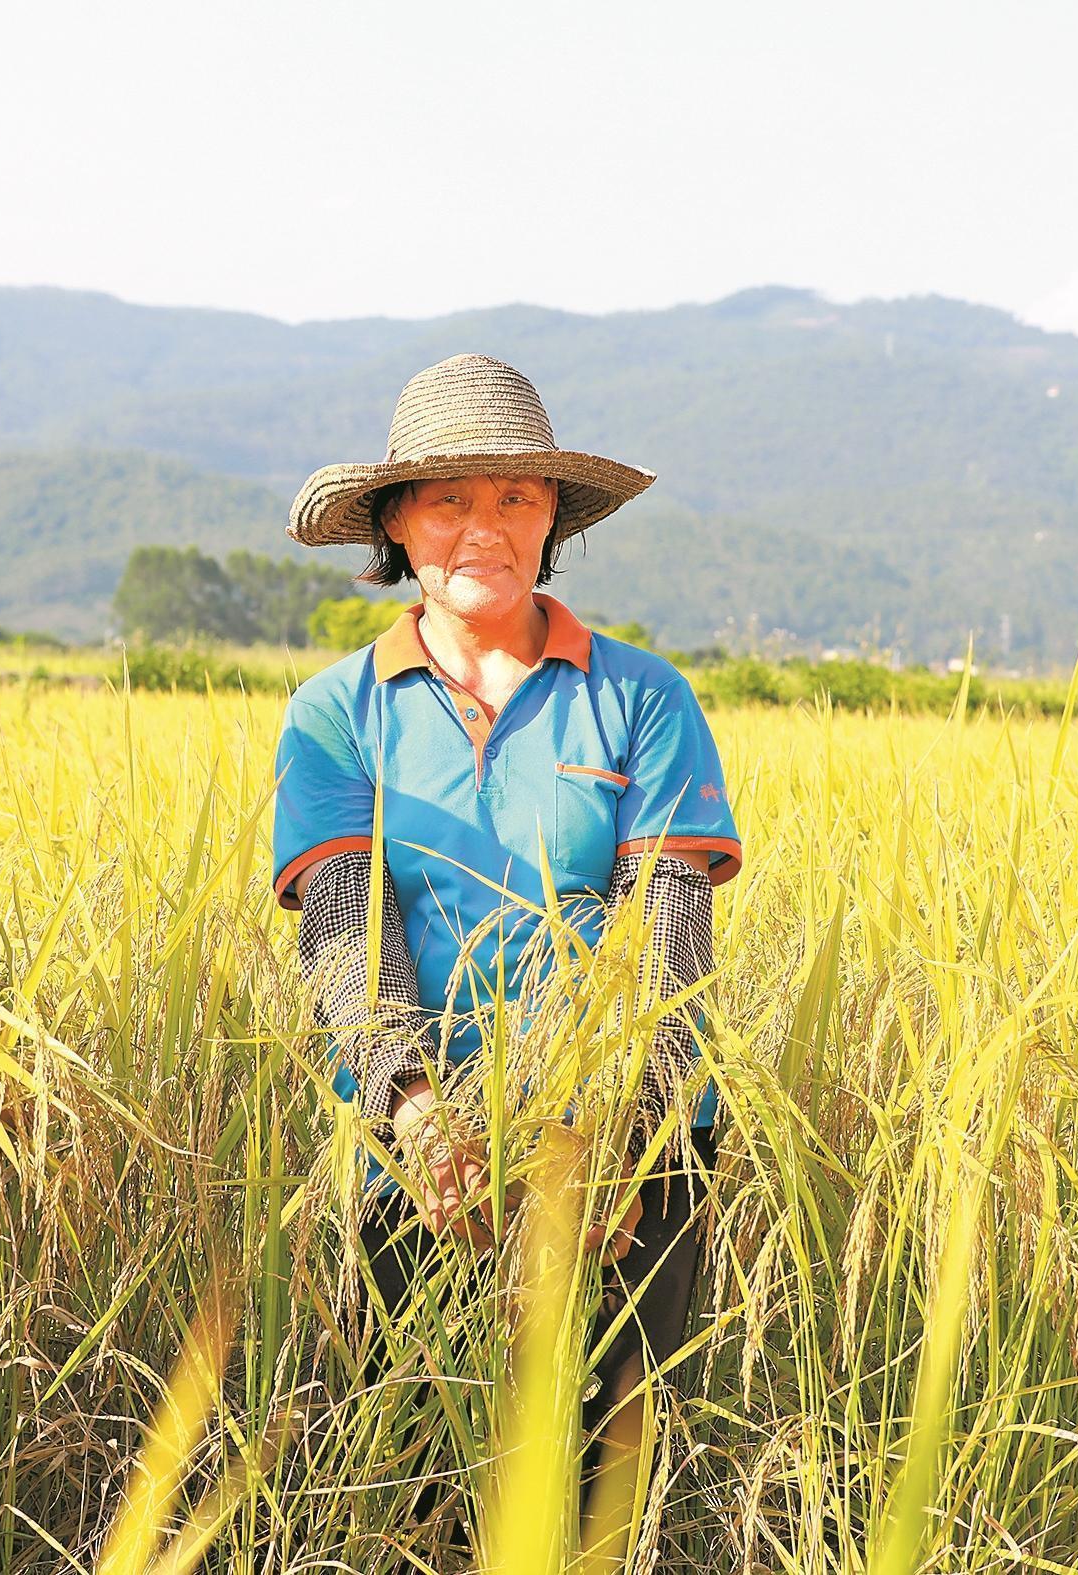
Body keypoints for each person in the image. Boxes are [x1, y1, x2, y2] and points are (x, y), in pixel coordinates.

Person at [271, 354, 743, 1538]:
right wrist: (414, 1108)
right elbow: (347, 926)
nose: (484, 528)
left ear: (553, 521)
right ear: (392, 524)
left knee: (600, 1479)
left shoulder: (638, 696)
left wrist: (621, 1135)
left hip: (631, 1150)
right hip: (416, 1147)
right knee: (419, 1462)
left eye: (516, 499)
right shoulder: (338, 711)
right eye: (448, 500)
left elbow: (667, 929)